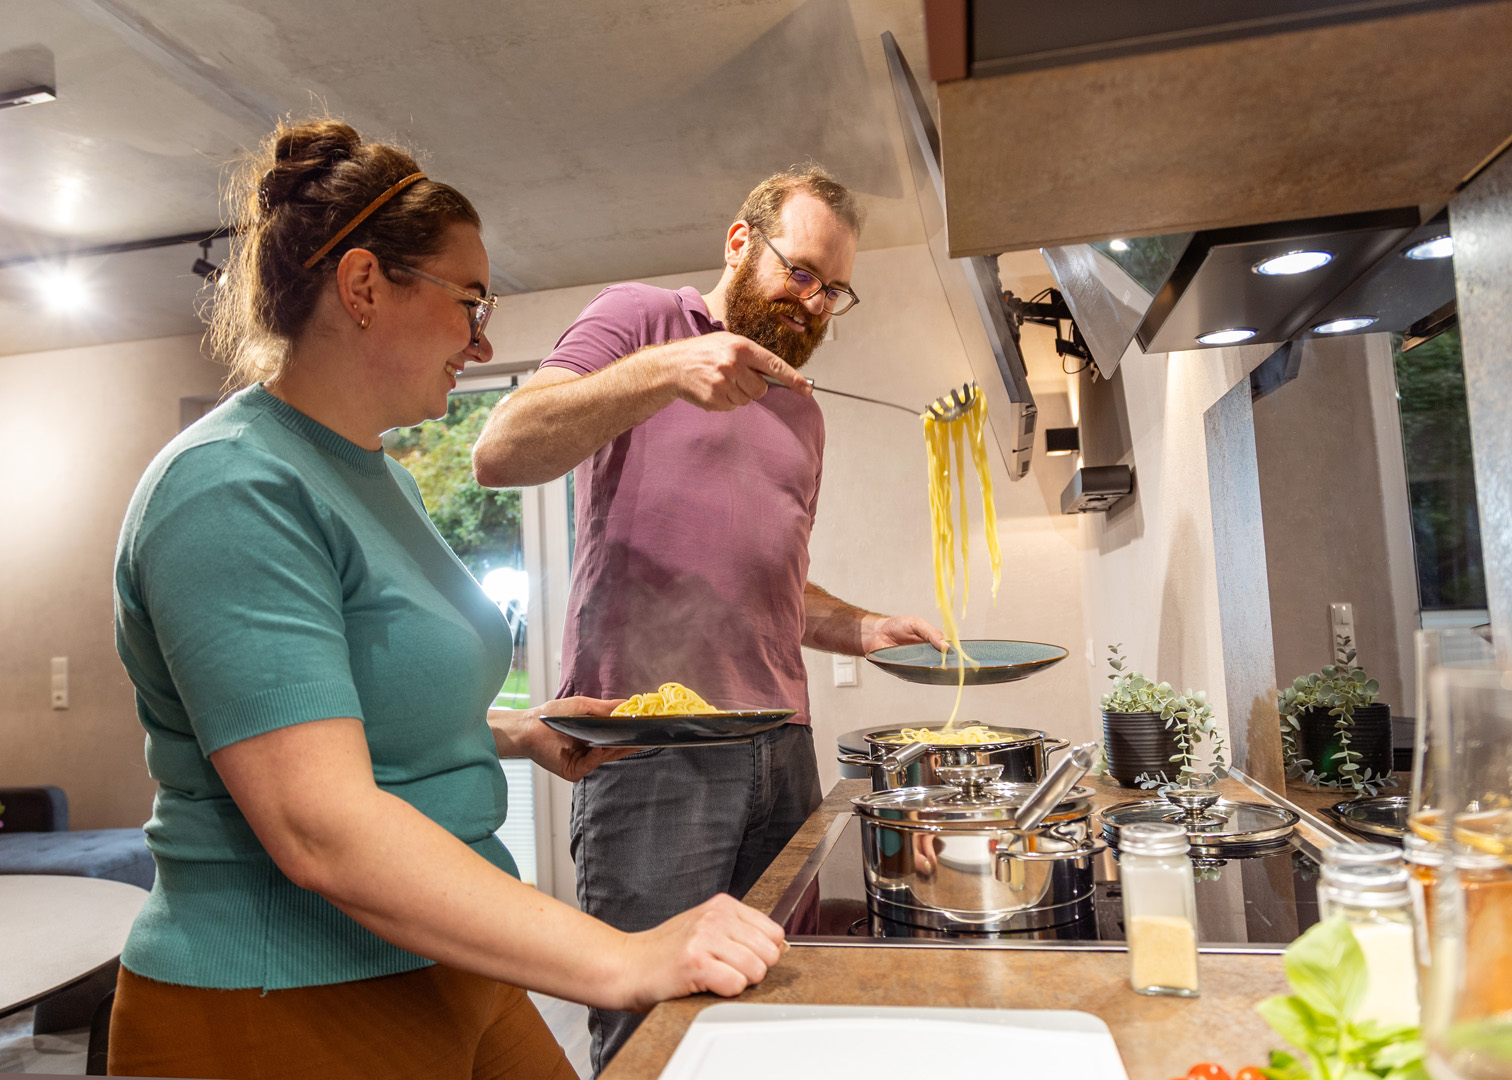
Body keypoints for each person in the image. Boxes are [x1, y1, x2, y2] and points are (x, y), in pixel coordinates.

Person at [108, 118, 785, 1080]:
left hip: (444, 969)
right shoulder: (229, 488)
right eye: (469, 301)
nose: (483, 337)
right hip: (277, 995)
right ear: (363, 287)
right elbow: (320, 827)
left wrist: (520, 730)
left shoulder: (382, 479)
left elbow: (361, 708)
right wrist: (624, 957)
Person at [471, 165, 945, 1072]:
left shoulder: (802, 416)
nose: (814, 304)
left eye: (834, 290)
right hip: (653, 749)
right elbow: (502, 448)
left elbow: (771, 586)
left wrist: (865, 626)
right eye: (800, 272)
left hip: (782, 744)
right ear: (740, 243)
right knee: (653, 1026)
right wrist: (670, 368)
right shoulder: (642, 318)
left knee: (773, 1014)